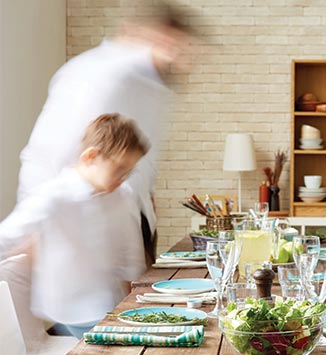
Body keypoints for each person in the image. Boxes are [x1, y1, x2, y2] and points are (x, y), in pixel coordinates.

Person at [17, 3, 192, 265]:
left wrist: (148, 197)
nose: (180, 57)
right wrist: (37, 225)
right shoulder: (105, 75)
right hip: (82, 220)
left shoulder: (153, 84)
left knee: (135, 299)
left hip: (129, 212)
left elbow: (142, 147)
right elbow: (54, 149)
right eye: (173, 45)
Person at [0, 113, 149, 338]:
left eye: (128, 172)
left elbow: (130, 249)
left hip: (109, 305)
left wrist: (132, 298)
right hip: (72, 310)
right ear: (90, 157)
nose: (122, 179)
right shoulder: (54, 195)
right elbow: (8, 234)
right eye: (118, 170)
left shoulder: (122, 196)